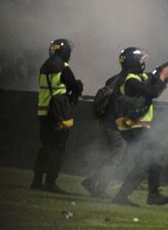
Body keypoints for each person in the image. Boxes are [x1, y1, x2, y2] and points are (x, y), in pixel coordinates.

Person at [110, 47, 168, 207]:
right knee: (147, 162)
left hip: (136, 126)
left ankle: (151, 194)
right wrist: (162, 77)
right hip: (134, 126)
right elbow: (153, 91)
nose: (143, 63)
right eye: (140, 60)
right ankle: (147, 195)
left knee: (149, 161)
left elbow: (156, 78)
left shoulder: (137, 77)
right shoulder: (130, 80)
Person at [31, 38, 83, 193]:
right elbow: (74, 86)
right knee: (58, 148)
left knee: (45, 147)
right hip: (58, 113)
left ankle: (37, 180)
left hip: (43, 111)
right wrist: (78, 86)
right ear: (65, 52)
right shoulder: (63, 67)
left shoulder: (44, 66)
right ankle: (51, 182)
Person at [80, 73, 127, 198]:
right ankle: (99, 189)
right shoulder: (124, 83)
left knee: (111, 156)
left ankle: (91, 183)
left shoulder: (115, 80)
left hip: (106, 123)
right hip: (114, 126)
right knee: (114, 158)